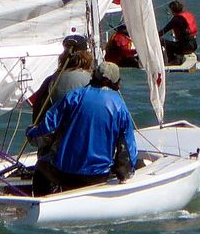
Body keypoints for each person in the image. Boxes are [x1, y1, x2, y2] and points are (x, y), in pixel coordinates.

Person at [26, 62, 137, 196]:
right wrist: (123, 173)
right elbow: (127, 148)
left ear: (93, 76)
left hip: (65, 175)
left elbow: (46, 130)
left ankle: (43, 201)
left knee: (41, 166)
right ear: (115, 82)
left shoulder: (73, 97)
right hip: (98, 177)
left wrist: (31, 133)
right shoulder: (120, 106)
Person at [29, 34, 94, 123]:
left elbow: (38, 112)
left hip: (58, 129)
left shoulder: (50, 81)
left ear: (63, 55)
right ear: (86, 55)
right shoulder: (93, 80)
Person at [160, 0, 198, 64]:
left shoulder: (176, 20)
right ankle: (178, 58)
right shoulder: (187, 15)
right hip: (194, 45)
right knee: (176, 44)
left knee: (162, 41)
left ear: (172, 10)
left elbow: (163, 32)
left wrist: (151, 37)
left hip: (185, 47)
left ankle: (171, 61)